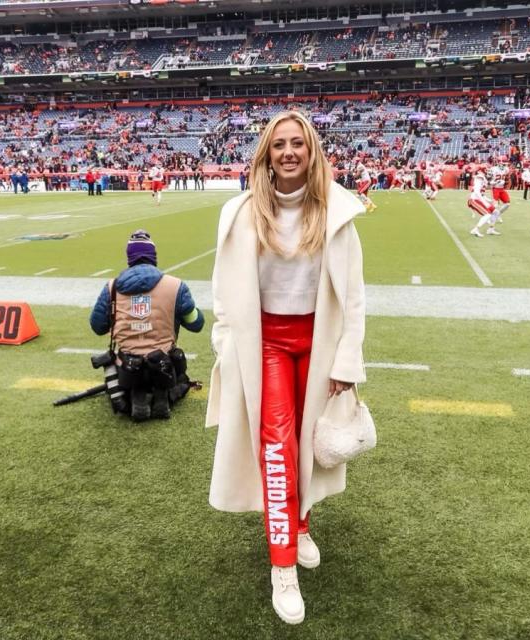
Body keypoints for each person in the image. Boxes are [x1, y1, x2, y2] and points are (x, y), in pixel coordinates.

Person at [205, 111, 367, 625]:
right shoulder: (241, 213)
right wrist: (226, 342)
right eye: (280, 145)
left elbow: (355, 296)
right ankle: (282, 567)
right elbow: (223, 290)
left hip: (317, 342)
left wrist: (346, 358)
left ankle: (300, 526)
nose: (290, 152)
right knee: (275, 447)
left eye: (299, 143)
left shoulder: (337, 212)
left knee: (307, 443)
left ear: (311, 151)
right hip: (265, 344)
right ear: (267, 154)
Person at [90, 230, 205, 421]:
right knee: (172, 362)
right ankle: (164, 393)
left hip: (127, 367)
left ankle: (138, 394)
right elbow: (196, 324)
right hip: (163, 364)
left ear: (129, 258)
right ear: (154, 257)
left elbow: (97, 326)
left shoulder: (111, 288)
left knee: (127, 363)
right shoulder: (175, 286)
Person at [468, 168, 502, 237]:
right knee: (487, 215)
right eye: (488, 172)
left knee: (496, 212)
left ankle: (491, 229)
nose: (490, 174)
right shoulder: (479, 178)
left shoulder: (483, 180)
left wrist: (489, 200)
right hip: (474, 200)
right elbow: (477, 192)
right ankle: (475, 230)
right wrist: (485, 202)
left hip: (479, 199)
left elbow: (482, 193)